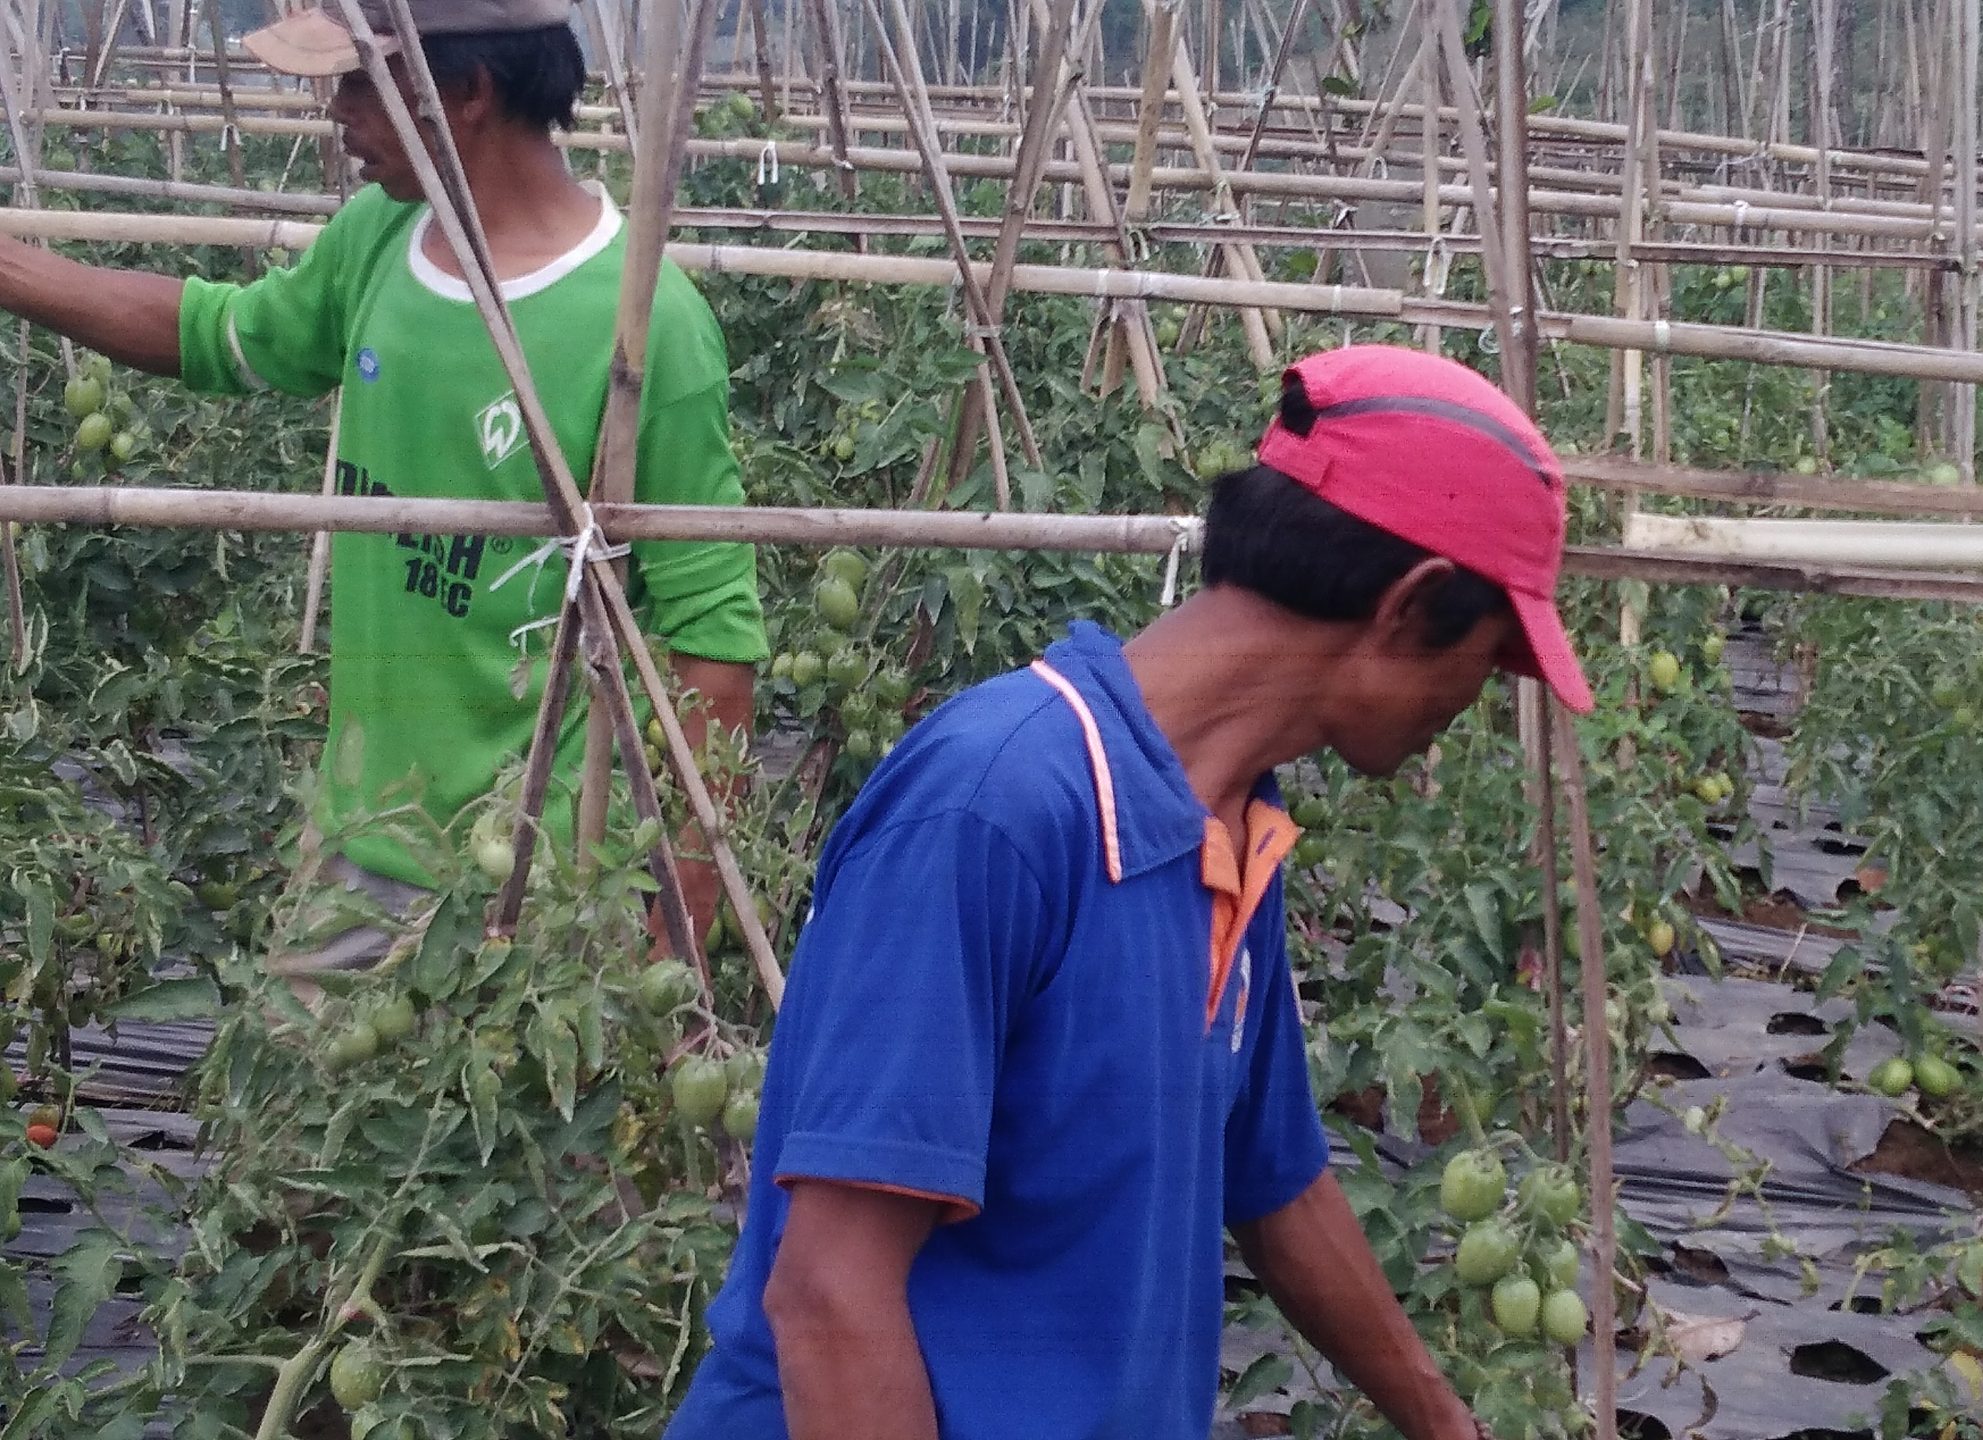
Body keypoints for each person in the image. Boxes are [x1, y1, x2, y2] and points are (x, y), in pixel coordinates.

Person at [667, 343, 1594, 1440]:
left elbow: (1276, 1181)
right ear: (1411, 604)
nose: (1476, 699)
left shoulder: (1228, 824)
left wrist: (1444, 1424)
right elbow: (829, 1297)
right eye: (1490, 659)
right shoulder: (992, 809)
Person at [0, 0, 766, 969]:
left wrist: (675, 946)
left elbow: (715, 647)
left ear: (471, 91)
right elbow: (212, 332)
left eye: (361, 82)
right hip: (358, 843)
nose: (336, 112)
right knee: (292, 1112)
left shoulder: (643, 324)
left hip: (544, 877)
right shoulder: (378, 239)